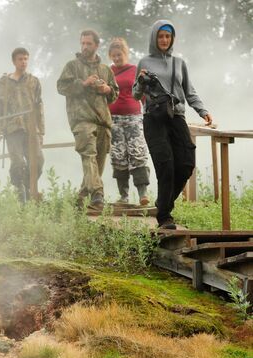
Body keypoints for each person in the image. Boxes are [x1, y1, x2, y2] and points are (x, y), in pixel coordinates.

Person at [133, 20, 213, 229]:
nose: (164, 40)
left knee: (186, 164)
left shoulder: (180, 63)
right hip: (154, 118)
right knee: (165, 165)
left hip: (177, 117)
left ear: (172, 39)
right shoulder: (144, 62)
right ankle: (164, 216)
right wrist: (141, 82)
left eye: (168, 36)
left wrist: (203, 111)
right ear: (154, 38)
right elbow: (135, 94)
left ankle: (163, 202)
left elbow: (189, 91)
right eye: (160, 36)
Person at [57, 30, 119, 208]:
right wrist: (83, 84)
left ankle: (82, 195)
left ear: (96, 46)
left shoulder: (105, 70)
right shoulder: (72, 66)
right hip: (81, 119)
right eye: (82, 43)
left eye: (88, 44)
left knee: (98, 162)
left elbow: (115, 94)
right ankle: (97, 194)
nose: (84, 47)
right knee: (88, 155)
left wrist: (106, 89)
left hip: (102, 120)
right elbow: (61, 87)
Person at [0, 47, 44, 202]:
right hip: (13, 128)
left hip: (31, 128)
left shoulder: (33, 81)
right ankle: (19, 190)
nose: (24, 62)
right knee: (18, 162)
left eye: (26, 59)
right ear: (14, 61)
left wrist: (41, 131)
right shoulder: (4, 83)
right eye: (20, 59)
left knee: (38, 160)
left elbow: (39, 106)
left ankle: (28, 186)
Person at [108, 38, 150, 206]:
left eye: (119, 55)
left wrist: (148, 111)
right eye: (114, 56)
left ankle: (142, 194)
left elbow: (144, 92)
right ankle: (123, 196)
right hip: (113, 119)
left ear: (126, 53)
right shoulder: (108, 71)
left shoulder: (135, 70)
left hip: (134, 118)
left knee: (137, 153)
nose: (117, 58)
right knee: (118, 156)